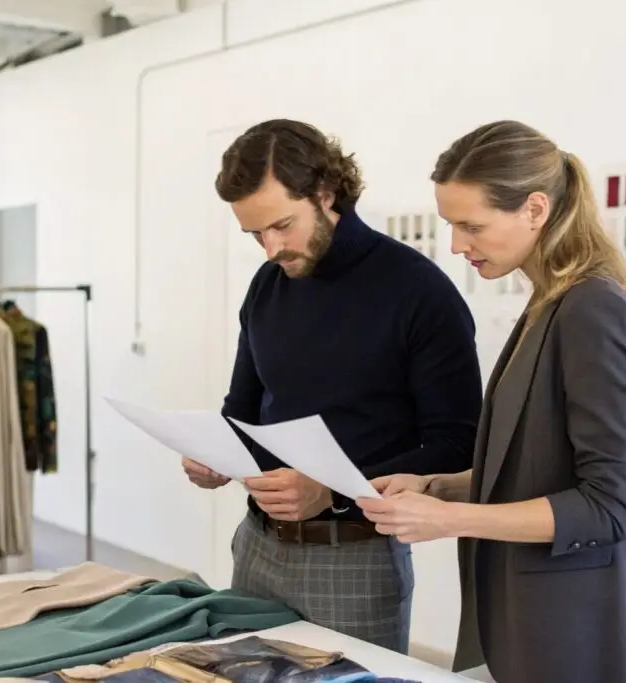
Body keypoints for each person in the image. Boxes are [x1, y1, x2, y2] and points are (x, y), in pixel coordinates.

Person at [357, 120, 626, 683]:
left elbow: (609, 505)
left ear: (534, 208)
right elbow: (539, 465)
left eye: (471, 225)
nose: (457, 245)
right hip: (523, 610)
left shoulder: (591, 309)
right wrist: (441, 485)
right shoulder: (549, 303)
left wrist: (450, 518)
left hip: (569, 623)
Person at [181, 118, 483, 654]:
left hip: (355, 559)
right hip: (256, 547)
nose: (270, 248)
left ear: (325, 193)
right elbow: (245, 411)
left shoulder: (419, 291)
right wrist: (217, 457)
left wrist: (332, 490)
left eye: (281, 226)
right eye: (254, 234)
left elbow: (457, 445)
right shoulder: (268, 285)